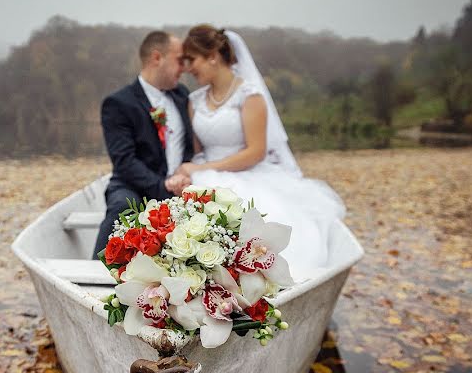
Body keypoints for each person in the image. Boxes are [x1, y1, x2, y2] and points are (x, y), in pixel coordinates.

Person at [176, 25, 348, 275]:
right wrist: (188, 172)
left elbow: (256, 151)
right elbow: (196, 151)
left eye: (192, 59)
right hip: (203, 174)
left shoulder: (250, 96)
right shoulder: (195, 101)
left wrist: (201, 169)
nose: (188, 68)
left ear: (212, 55)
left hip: (247, 173)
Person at [93, 31, 195, 258]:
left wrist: (184, 175)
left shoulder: (182, 96)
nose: (185, 68)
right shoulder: (118, 103)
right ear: (157, 58)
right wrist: (164, 187)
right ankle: (94, 271)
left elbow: (190, 147)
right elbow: (124, 162)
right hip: (134, 185)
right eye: (179, 60)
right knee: (122, 206)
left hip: (181, 183)